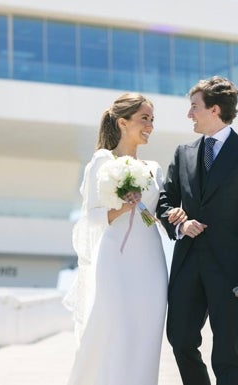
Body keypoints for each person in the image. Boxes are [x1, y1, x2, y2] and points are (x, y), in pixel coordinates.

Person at [157, 76, 238, 385]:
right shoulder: (183, 153)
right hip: (187, 263)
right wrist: (179, 222)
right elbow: (164, 201)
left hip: (232, 266)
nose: (189, 114)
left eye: (194, 107)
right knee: (180, 340)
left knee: (227, 353)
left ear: (215, 110)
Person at [64, 93, 187, 385]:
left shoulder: (154, 169)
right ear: (122, 122)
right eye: (144, 118)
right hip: (115, 261)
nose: (150, 125)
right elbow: (91, 218)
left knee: (146, 334)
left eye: (152, 120)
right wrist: (123, 206)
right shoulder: (101, 162)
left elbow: (157, 213)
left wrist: (177, 215)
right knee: (112, 330)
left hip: (151, 262)